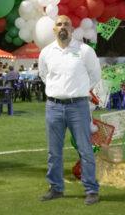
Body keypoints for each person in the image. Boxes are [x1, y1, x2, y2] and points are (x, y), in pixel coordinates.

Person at [38, 15, 101, 205]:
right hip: (53, 106)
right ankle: (56, 188)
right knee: (54, 151)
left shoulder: (85, 50)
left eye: (66, 24)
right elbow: (44, 75)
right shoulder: (46, 52)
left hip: (78, 106)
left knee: (85, 149)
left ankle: (91, 190)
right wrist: (59, 92)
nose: (62, 27)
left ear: (72, 30)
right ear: (54, 30)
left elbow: (95, 75)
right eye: (59, 24)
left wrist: (78, 91)